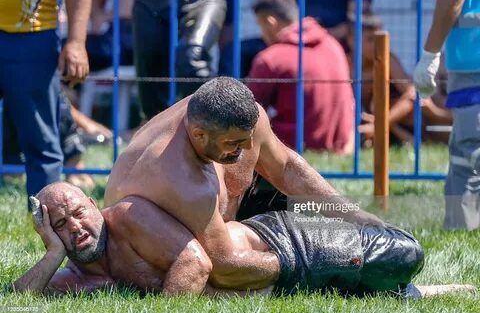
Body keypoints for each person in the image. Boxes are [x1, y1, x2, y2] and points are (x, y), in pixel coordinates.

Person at [103, 76, 383, 290]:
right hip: (155, 261)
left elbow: (285, 167)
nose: (248, 147)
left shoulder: (236, 118)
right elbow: (224, 267)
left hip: (220, 228)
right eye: (234, 143)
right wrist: (308, 259)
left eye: (248, 138)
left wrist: (354, 215)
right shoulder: (180, 179)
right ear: (199, 135)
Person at [14, 182, 476, 297]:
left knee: (404, 252)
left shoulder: (128, 217)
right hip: (278, 279)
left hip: (287, 241)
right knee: (357, 285)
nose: (76, 227)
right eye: (61, 226)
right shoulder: (77, 274)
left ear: (95, 205)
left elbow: (195, 265)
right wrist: (53, 253)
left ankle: (360, 216)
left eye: (78, 213)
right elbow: (21, 297)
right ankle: (418, 295)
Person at [0, 0, 91, 203]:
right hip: (30, 36)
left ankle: (47, 226)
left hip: (32, 33)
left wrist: (76, 42)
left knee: (41, 144)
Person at [247, 0, 354, 153]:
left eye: (260, 26)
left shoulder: (270, 58)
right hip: (341, 145)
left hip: (293, 146)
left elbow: (247, 111)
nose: (262, 33)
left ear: (271, 22)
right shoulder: (332, 44)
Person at [413, 0, 480, 230]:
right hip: (469, 60)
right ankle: (459, 226)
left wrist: (430, 54)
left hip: (473, 61)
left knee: (470, 152)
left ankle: (461, 227)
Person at [345, 13, 452, 146]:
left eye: (381, 39)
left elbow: (412, 93)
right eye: (370, 39)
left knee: (408, 102)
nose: (377, 45)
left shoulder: (387, 60)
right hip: (355, 117)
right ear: (351, 39)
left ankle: (379, 129)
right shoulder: (344, 64)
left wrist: (380, 123)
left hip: (391, 118)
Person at [132, 0, 226, 119]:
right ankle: (160, 130)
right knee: (150, 75)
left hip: (203, 1)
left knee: (192, 56)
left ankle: (210, 122)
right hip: (150, 5)